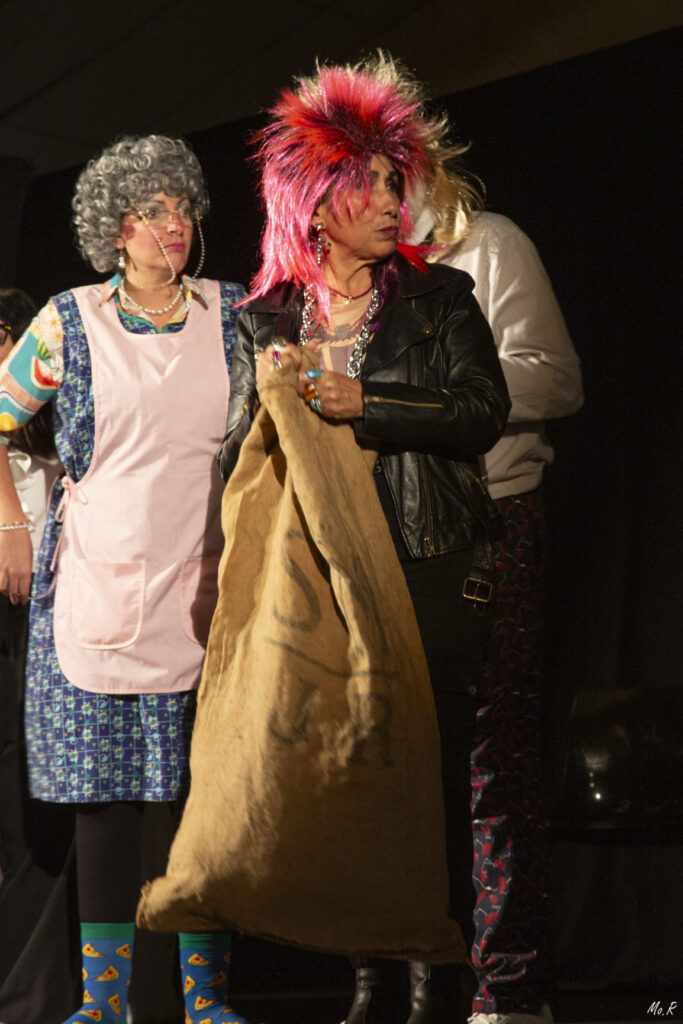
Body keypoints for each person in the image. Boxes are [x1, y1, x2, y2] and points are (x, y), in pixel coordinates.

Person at [218, 55, 511, 1024]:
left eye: (396, 181)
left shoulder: (439, 297)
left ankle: (436, 980)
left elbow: (482, 411)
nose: (393, 201)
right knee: (346, 781)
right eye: (372, 184)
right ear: (317, 199)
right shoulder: (264, 317)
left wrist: (367, 401)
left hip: (427, 563)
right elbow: (234, 453)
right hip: (319, 577)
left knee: (427, 784)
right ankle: (369, 982)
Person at [0, 135, 251, 1024]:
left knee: (202, 803)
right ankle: (104, 1006)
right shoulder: (68, 320)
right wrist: (11, 522)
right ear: (114, 228)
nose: (171, 224)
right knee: (104, 806)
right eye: (150, 211)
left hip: (207, 582)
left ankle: (204, 999)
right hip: (100, 584)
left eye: (181, 207)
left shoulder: (233, 312)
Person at [409, 151, 583, 1024]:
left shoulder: (488, 245)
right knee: (396, 762)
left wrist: (436, 394)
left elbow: (555, 377)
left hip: (491, 519)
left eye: (385, 170)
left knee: (493, 760)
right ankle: (410, 977)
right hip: (394, 532)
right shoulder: (352, 275)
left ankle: (510, 990)